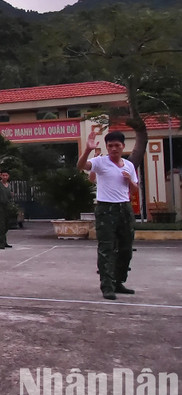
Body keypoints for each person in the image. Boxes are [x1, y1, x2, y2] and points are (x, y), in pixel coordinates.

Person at [77, 128, 139, 300]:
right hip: (106, 209)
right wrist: (88, 149)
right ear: (106, 147)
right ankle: (107, 285)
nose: (113, 149)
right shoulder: (100, 162)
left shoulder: (129, 165)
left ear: (123, 146)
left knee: (126, 248)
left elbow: (134, 190)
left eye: (117, 145)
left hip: (124, 208)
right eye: (110, 145)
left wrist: (129, 181)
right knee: (106, 248)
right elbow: (81, 166)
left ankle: (119, 281)